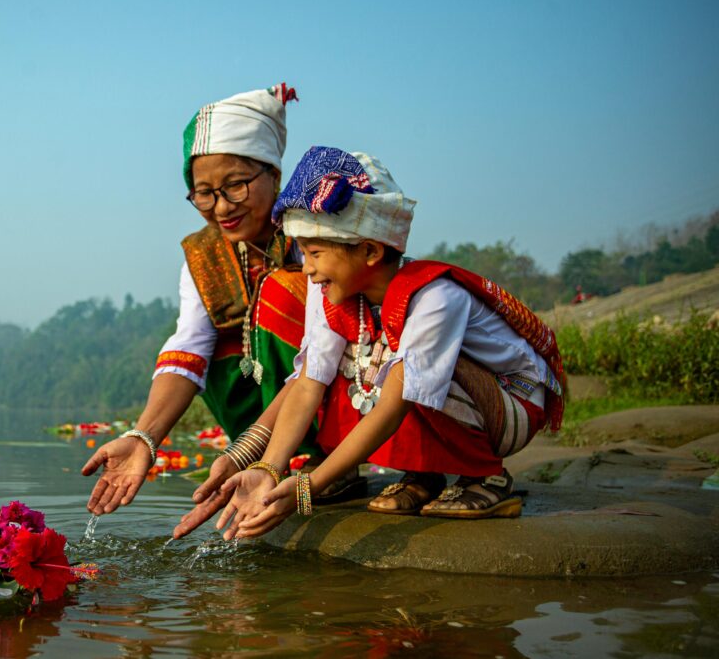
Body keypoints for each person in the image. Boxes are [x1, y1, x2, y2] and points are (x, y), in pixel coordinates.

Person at [214, 146, 566, 540]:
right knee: (347, 360)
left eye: (314, 253)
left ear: (369, 250)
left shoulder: (435, 298)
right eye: (302, 253)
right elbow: (310, 382)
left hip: (507, 402)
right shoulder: (338, 296)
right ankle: (425, 475)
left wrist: (305, 490)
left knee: (402, 370)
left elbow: (398, 400)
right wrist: (268, 468)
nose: (306, 268)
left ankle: (488, 477)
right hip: (435, 393)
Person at [82, 84, 322, 533]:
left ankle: (318, 463)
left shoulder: (316, 235)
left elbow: (325, 355)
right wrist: (144, 437)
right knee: (210, 345)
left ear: (273, 172)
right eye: (204, 193)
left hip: (335, 387)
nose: (220, 208)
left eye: (235, 185)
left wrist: (247, 452)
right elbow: (188, 347)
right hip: (268, 425)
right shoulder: (204, 255)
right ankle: (276, 465)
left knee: (280, 293)